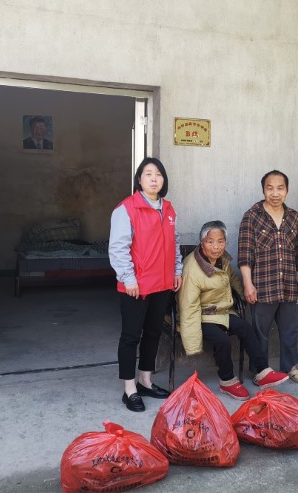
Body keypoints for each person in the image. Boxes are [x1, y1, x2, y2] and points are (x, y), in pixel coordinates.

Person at [178, 221, 289, 400]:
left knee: (246, 328)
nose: (216, 247)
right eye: (210, 242)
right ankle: (227, 381)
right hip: (201, 316)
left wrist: (247, 293)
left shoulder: (223, 260)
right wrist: (192, 344)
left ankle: (262, 372)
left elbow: (233, 280)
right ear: (201, 242)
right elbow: (188, 307)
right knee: (222, 340)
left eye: (220, 241)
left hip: (221, 312)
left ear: (225, 242)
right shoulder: (192, 269)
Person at [108, 157, 182, 412]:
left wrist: (177, 270)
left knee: (153, 333)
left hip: (161, 284)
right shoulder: (126, 209)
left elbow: (175, 243)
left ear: (164, 180)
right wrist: (128, 278)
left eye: (158, 174)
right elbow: (118, 248)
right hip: (135, 287)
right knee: (130, 337)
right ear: (139, 179)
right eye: (148, 173)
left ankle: (145, 381)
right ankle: (129, 389)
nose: (153, 178)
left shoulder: (169, 209)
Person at [238, 170, 298, 385]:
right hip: (262, 286)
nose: (275, 193)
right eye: (270, 188)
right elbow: (245, 255)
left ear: (287, 191)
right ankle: (261, 371)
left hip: (288, 284)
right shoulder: (252, 216)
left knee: (290, 330)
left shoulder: (294, 217)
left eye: (280, 188)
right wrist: (248, 284)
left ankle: (290, 368)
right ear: (263, 190)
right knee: (259, 332)